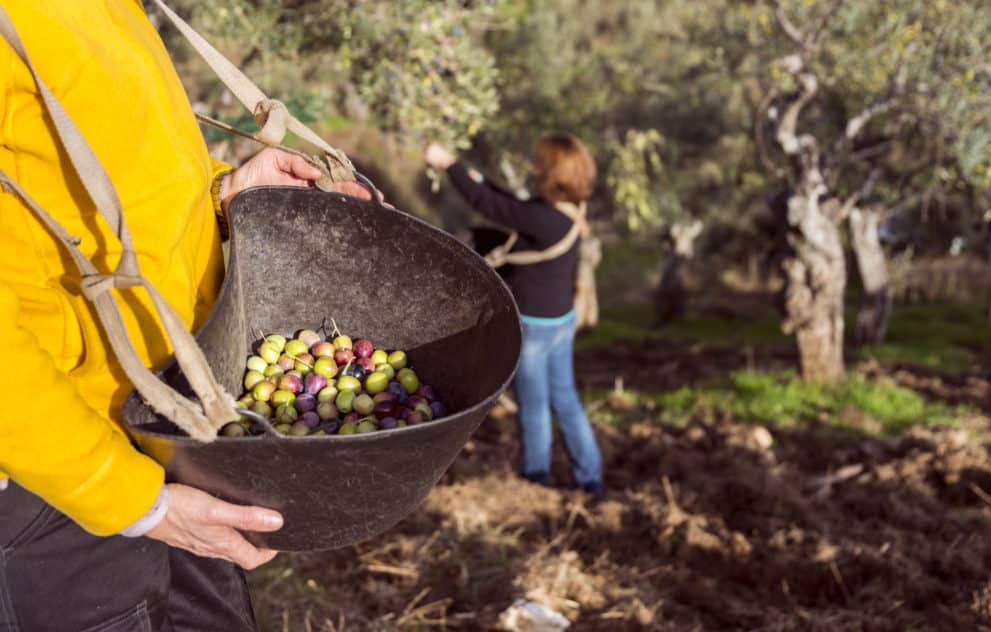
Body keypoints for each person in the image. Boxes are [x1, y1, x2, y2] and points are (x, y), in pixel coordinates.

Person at [0, 2, 369, 630]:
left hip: (174, 428)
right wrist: (129, 500)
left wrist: (228, 194)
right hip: (58, 479)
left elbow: (107, 176)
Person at [425, 134, 604, 496]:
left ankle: (535, 481)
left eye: (540, 163)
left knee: (534, 408)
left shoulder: (542, 218)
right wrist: (469, 171)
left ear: (552, 173)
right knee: (566, 400)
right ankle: (591, 479)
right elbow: (508, 202)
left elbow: (492, 206)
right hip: (561, 322)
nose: (533, 167)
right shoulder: (568, 210)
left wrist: (449, 166)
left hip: (534, 328)